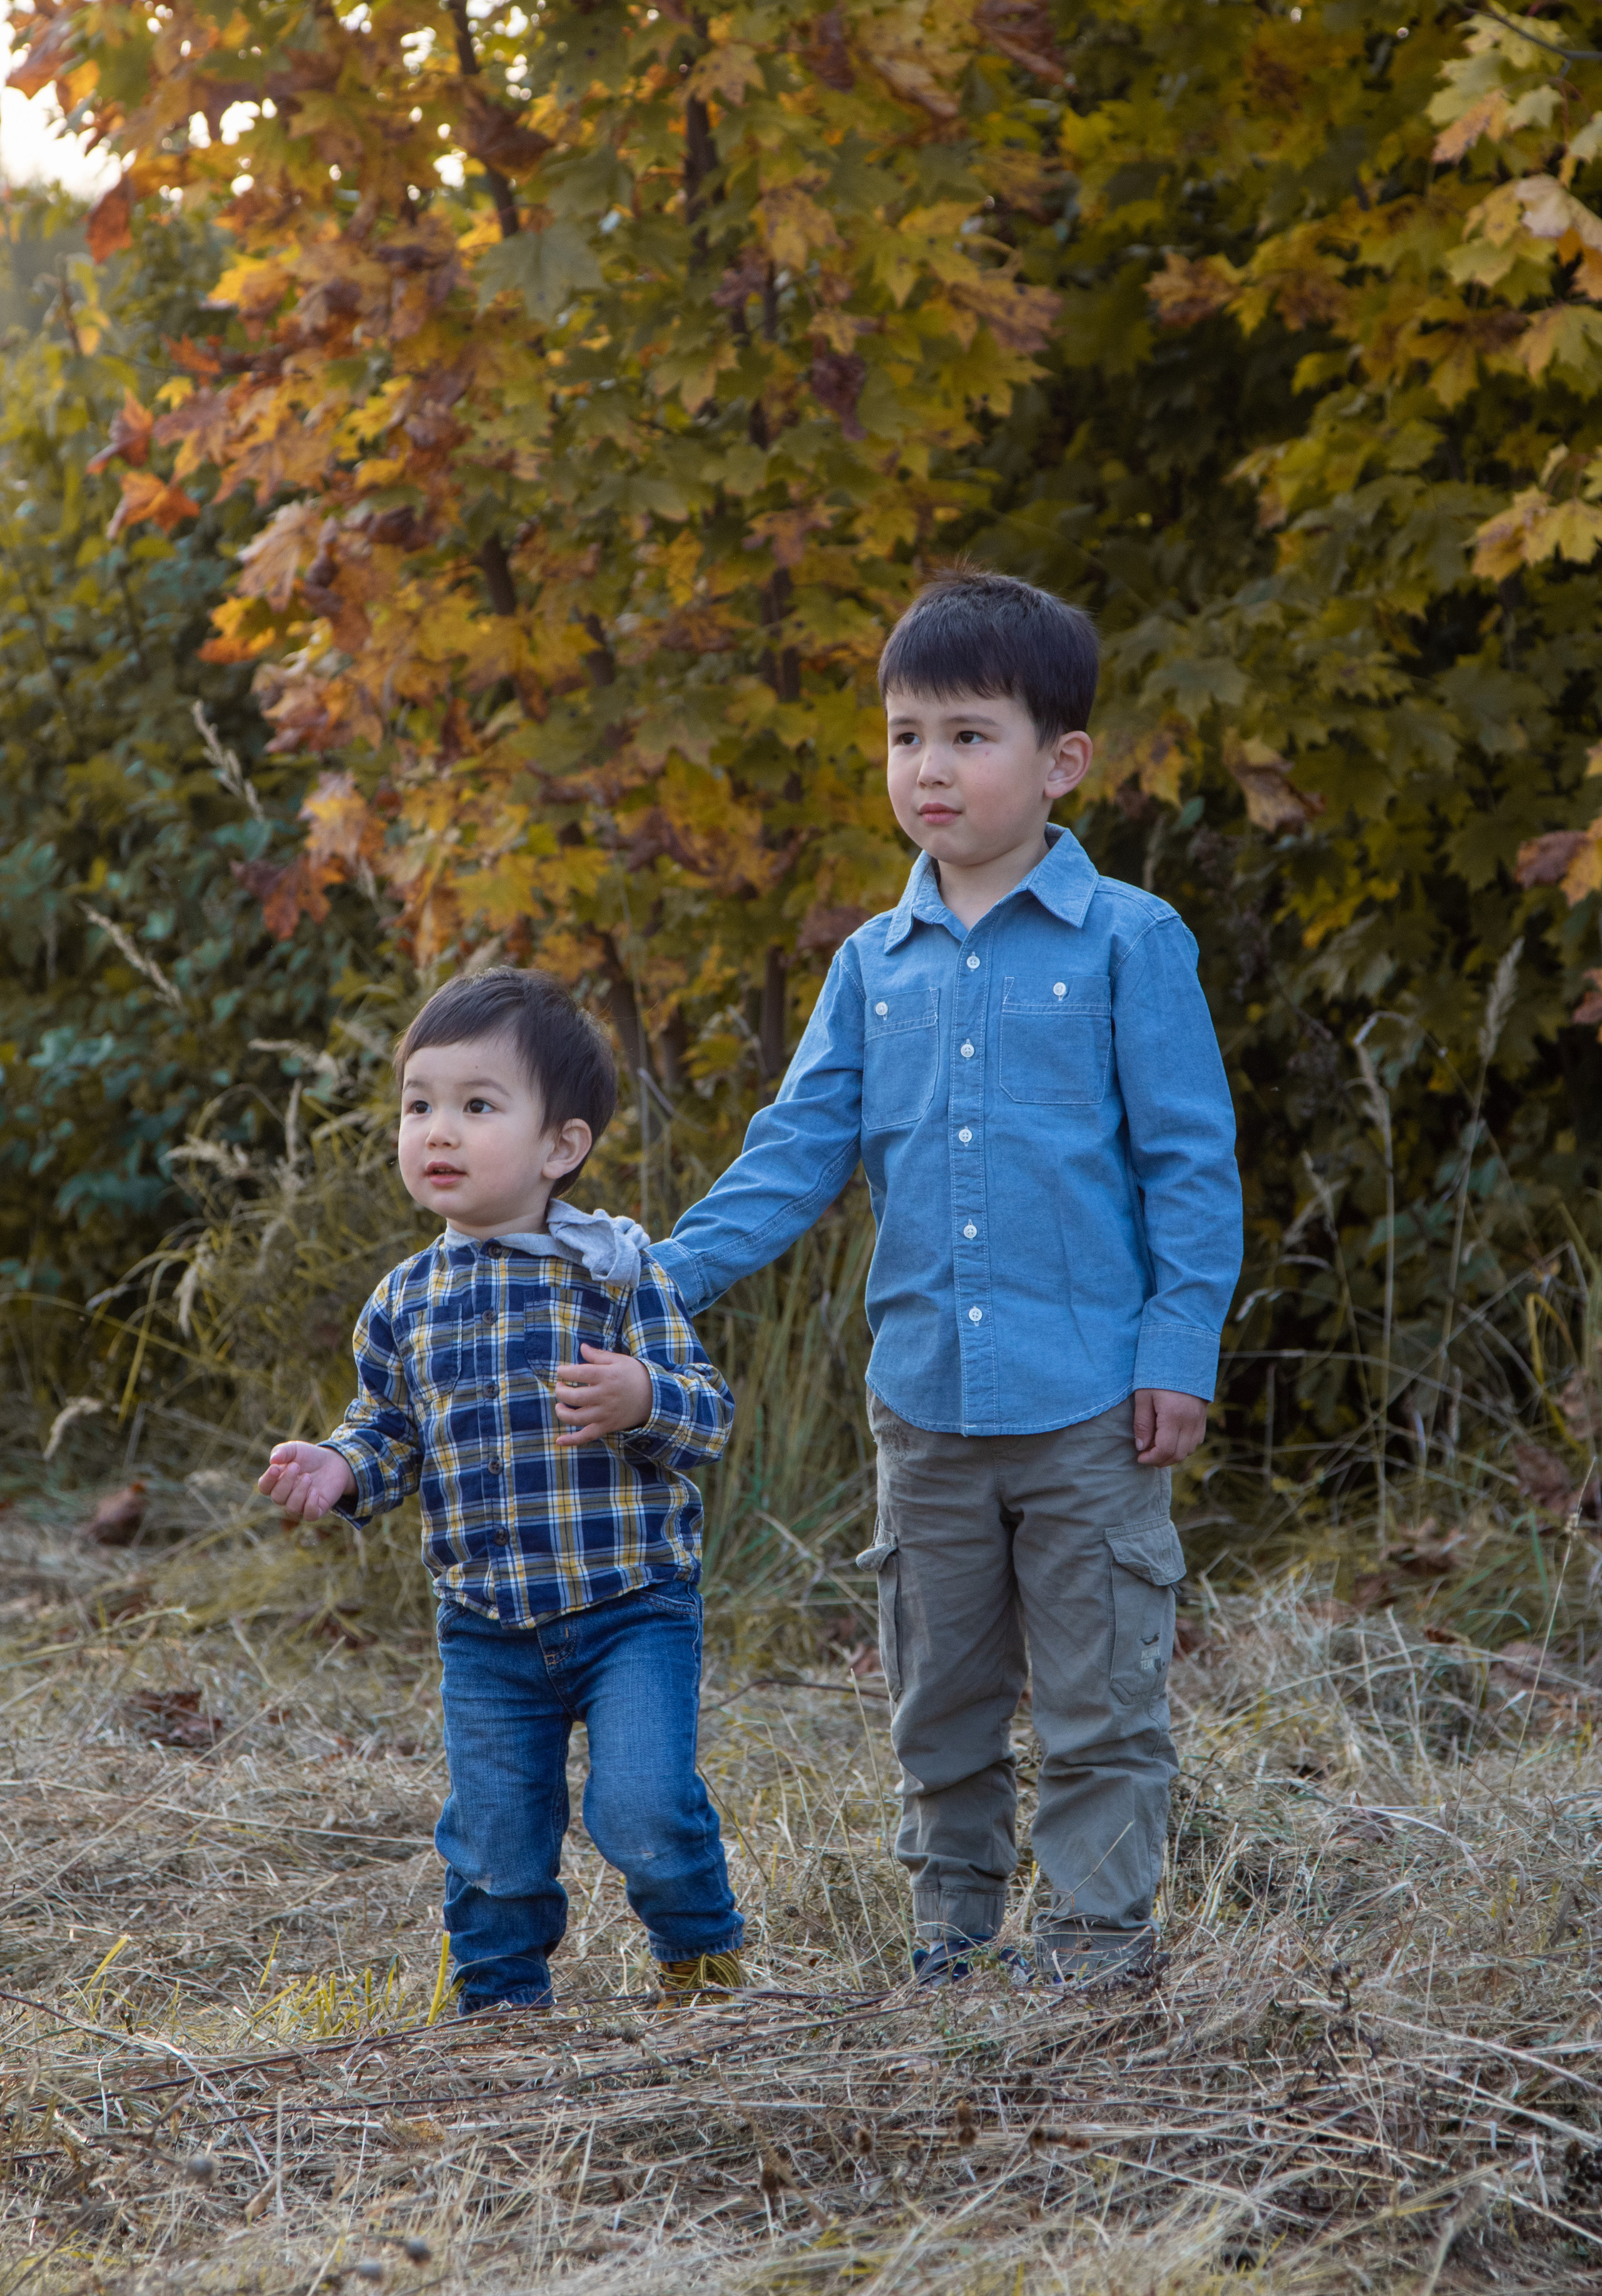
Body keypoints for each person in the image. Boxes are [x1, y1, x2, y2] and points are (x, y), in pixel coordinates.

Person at [651, 567, 1242, 1990]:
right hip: (923, 1409)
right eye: (907, 735)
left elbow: (1190, 1166)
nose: (930, 767)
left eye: (970, 736)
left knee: (1100, 1699)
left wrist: (1178, 1350)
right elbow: (795, 1155)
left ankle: (1095, 1949)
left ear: (1061, 761)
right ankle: (952, 1945)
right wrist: (654, 1280)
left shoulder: (1129, 943)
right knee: (939, 1700)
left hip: (1091, 1406)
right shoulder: (874, 965)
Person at [257, 967, 745, 2014]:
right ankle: (500, 2007)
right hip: (485, 1624)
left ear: (560, 1147)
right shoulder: (403, 1300)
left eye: (478, 1106)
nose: (438, 1131)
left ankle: (701, 1957)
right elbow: (390, 1430)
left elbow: (708, 1415)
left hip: (630, 1605)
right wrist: (340, 1467)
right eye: (419, 1106)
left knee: (645, 1813)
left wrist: (642, 1394)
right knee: (494, 1838)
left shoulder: (618, 1274)